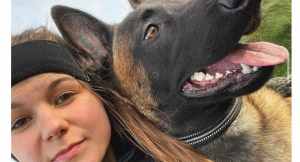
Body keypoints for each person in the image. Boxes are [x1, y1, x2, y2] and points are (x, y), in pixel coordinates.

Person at [11, 27, 212, 162]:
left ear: (99, 93)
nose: (53, 126)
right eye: (19, 122)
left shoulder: (209, 141)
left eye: (64, 97)